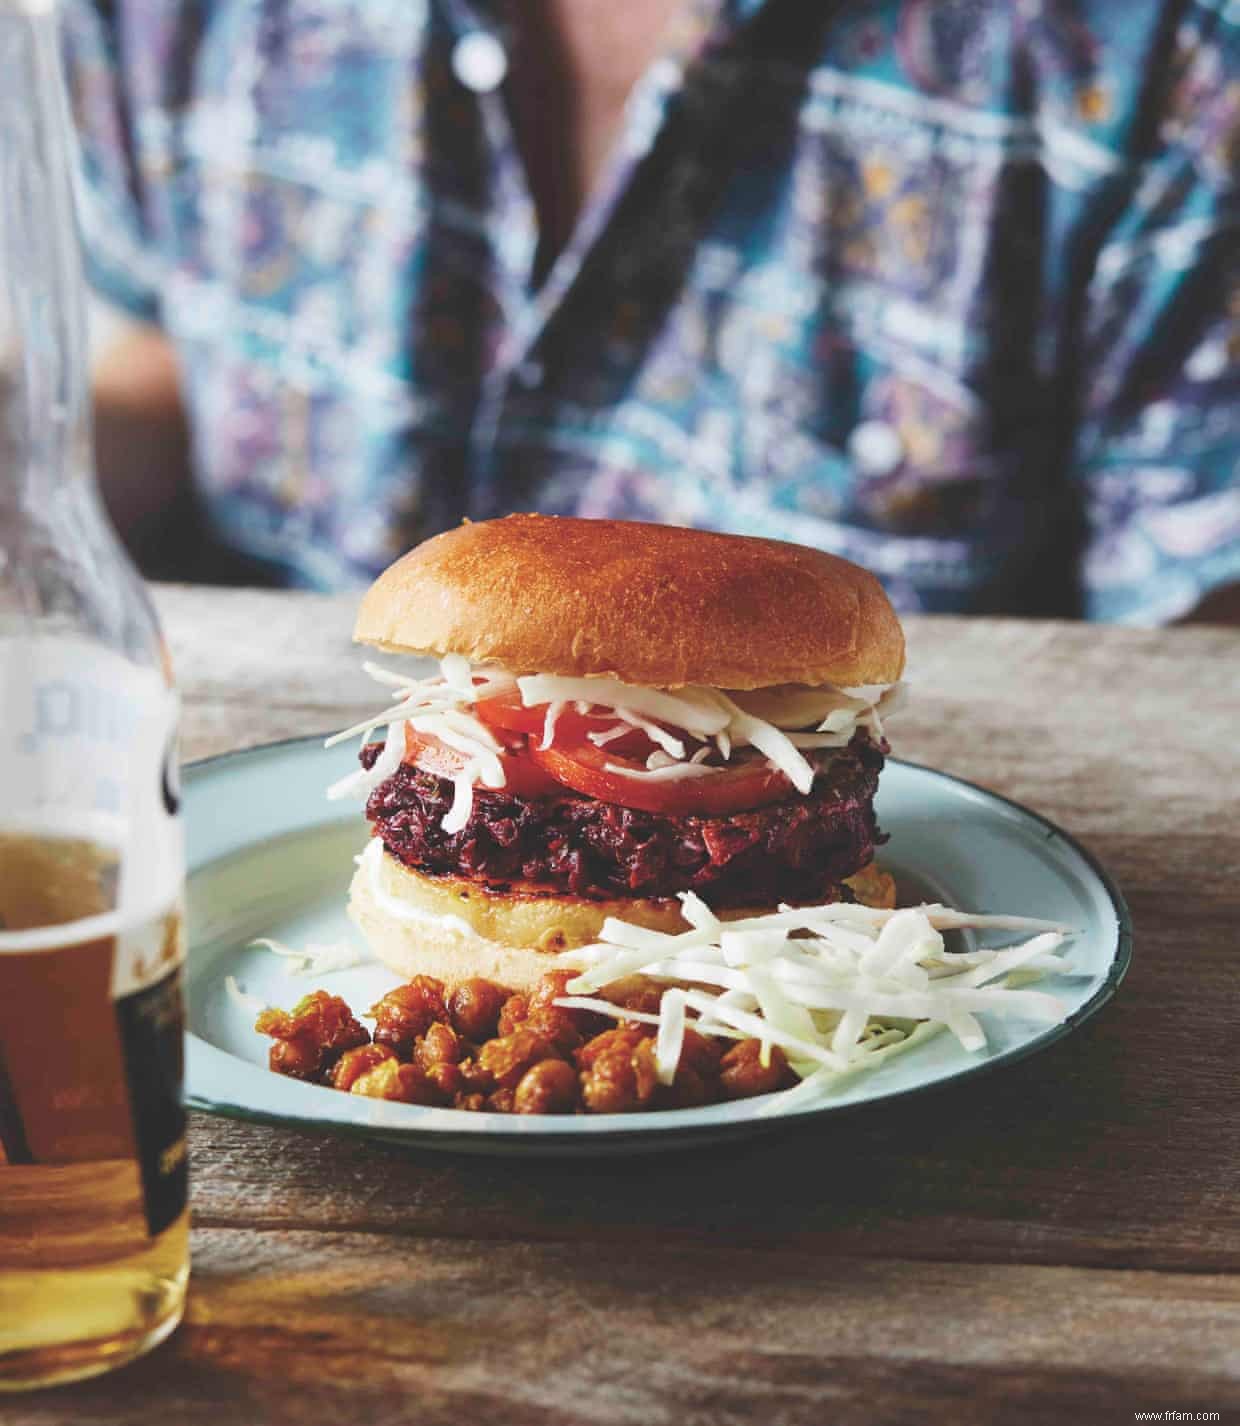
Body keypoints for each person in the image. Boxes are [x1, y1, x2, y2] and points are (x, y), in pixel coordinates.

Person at [63, 0, 1239, 620]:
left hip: (888, 915)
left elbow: (1197, 634)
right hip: (275, 869)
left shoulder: (1163, 53)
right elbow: (154, 368)